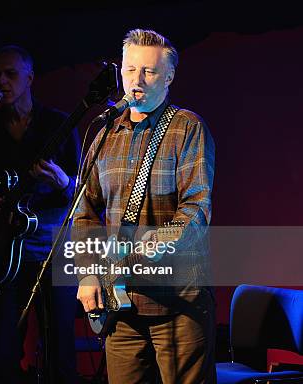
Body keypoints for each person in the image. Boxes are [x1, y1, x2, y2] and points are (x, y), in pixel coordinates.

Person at [73, 29, 216, 383]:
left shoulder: (186, 128)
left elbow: (196, 209)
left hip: (177, 301)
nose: (136, 80)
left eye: (148, 72)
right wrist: (88, 271)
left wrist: (150, 245)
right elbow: (84, 209)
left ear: (168, 77)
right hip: (119, 302)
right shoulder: (104, 133)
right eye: (129, 69)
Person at [0, 45, 81, 383]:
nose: (2, 81)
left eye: (10, 73)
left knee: (60, 353)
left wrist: (65, 182)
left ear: (30, 77)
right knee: (3, 351)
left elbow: (85, 193)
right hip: (5, 252)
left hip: (53, 249)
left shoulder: (58, 124)